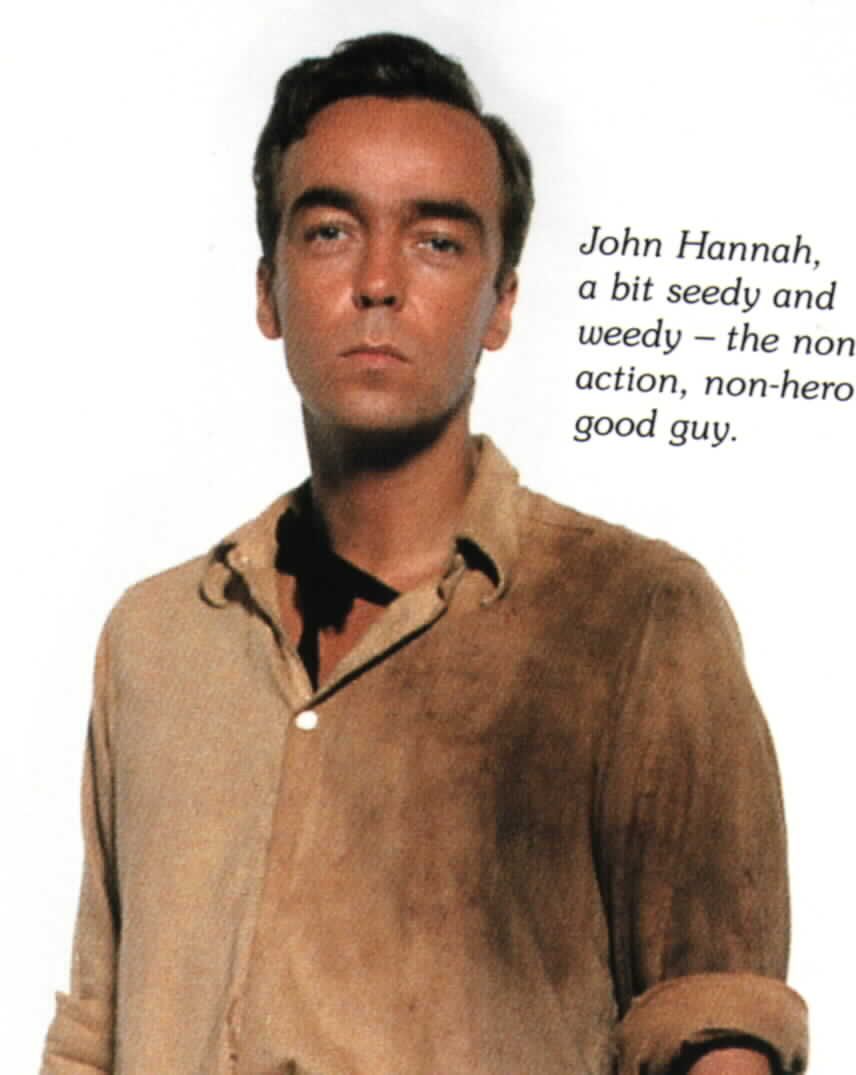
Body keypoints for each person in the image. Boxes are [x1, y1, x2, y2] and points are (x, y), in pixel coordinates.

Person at [41, 32, 808, 1075]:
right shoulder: (158, 637)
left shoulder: (636, 618)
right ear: (267, 289)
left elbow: (716, 1029)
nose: (377, 282)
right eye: (329, 231)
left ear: (501, 304)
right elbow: (95, 1031)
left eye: (437, 241)